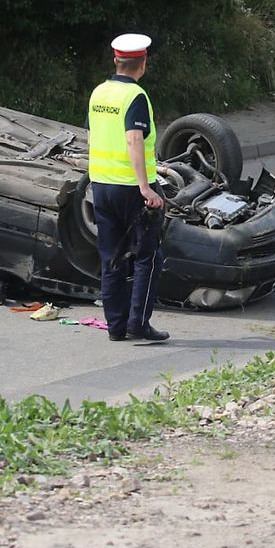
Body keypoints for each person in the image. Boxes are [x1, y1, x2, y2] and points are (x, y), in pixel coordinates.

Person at [86, 33, 169, 342]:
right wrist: (146, 187)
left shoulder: (98, 93)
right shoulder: (136, 97)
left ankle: (116, 327)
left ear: (115, 60)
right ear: (143, 64)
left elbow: (93, 137)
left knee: (111, 258)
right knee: (149, 256)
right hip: (131, 190)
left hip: (102, 186)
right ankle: (139, 323)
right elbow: (134, 139)